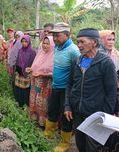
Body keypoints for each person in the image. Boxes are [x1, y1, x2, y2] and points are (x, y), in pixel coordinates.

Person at [64, 28, 117, 152]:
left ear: (94, 42)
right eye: (78, 42)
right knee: (80, 144)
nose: (79, 45)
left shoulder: (105, 63)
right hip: (77, 112)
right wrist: (67, 106)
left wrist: (103, 116)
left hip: (95, 115)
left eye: (82, 42)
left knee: (93, 147)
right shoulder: (76, 61)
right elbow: (69, 84)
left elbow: (111, 92)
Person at [44, 22, 80, 152]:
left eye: (57, 35)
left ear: (67, 35)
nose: (54, 38)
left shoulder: (74, 51)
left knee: (66, 115)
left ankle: (65, 143)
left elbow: (77, 73)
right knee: (52, 110)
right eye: (53, 35)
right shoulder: (57, 47)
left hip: (67, 89)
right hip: (56, 86)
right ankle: (49, 134)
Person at [27, 36, 54, 128]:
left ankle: (43, 123)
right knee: (34, 101)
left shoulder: (53, 56)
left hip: (45, 85)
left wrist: (41, 73)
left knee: (43, 103)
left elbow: (53, 72)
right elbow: (35, 66)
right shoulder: (40, 53)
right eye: (44, 43)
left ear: (52, 45)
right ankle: (35, 119)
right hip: (35, 84)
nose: (45, 45)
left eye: (47, 43)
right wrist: (31, 69)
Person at [99, 30, 119, 151]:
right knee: (102, 119)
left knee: (113, 120)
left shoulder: (117, 54)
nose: (111, 42)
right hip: (100, 93)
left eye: (113, 39)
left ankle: (112, 146)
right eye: (108, 39)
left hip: (115, 94)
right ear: (101, 40)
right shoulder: (96, 55)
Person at [14, 35, 36, 107]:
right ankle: (19, 104)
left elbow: (33, 63)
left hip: (27, 74)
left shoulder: (32, 51)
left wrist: (29, 71)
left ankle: (25, 105)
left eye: (25, 41)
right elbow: (17, 61)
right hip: (19, 73)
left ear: (29, 42)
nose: (24, 43)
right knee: (18, 89)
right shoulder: (20, 50)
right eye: (22, 41)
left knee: (25, 91)